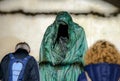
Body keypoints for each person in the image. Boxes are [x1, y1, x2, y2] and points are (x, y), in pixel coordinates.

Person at [39, 11, 88, 81]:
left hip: (71, 61)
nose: (62, 28)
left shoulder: (79, 31)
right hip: (54, 60)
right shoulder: (50, 31)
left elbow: (83, 52)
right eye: (60, 25)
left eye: (65, 25)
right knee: (44, 68)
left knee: (74, 69)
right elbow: (45, 51)